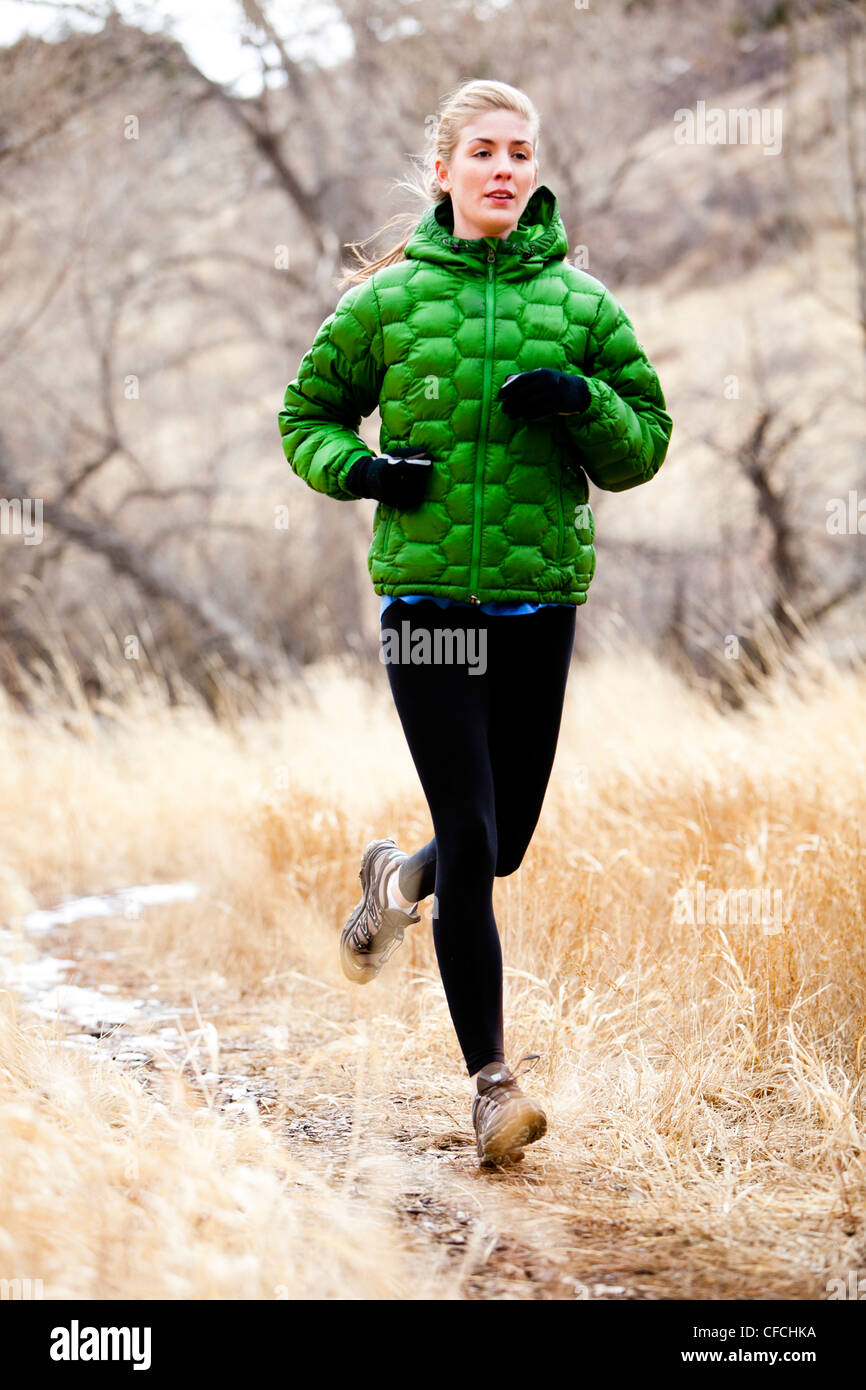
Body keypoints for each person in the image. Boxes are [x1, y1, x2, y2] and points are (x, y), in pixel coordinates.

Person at [278, 78, 672, 1168]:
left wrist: (581, 401)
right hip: (427, 607)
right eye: (483, 151)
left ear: (534, 170)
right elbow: (305, 416)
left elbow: (644, 445)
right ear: (444, 169)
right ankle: (493, 1087)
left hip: (537, 602)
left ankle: (394, 883)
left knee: (501, 843)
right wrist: (365, 470)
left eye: (519, 152)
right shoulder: (387, 303)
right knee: (473, 837)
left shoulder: (582, 306)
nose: (504, 168)